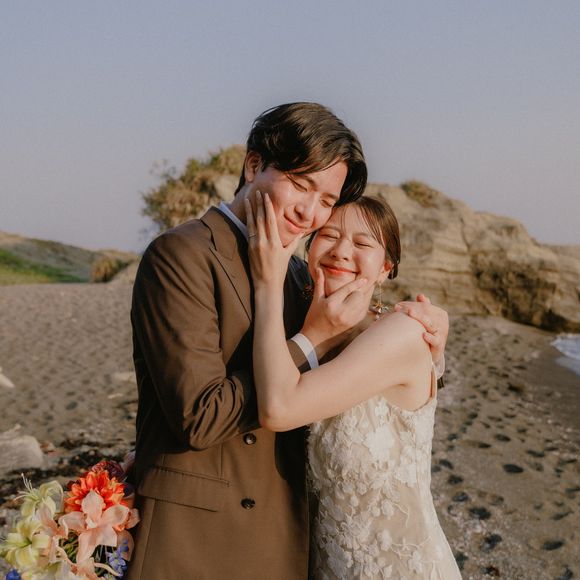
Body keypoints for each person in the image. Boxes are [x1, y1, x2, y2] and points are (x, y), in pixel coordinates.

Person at [126, 102, 449, 579]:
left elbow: (364, 361)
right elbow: (200, 417)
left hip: (284, 538)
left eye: (326, 200)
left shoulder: (301, 273)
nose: (308, 212)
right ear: (253, 165)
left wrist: (432, 342)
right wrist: (310, 338)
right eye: (300, 184)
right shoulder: (182, 255)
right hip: (195, 538)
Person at [247, 192, 461, 579]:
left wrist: (268, 285)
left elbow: (279, 409)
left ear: (385, 268)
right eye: (329, 236)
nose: (342, 252)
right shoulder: (301, 322)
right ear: (309, 247)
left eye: (363, 244)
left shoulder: (403, 332)